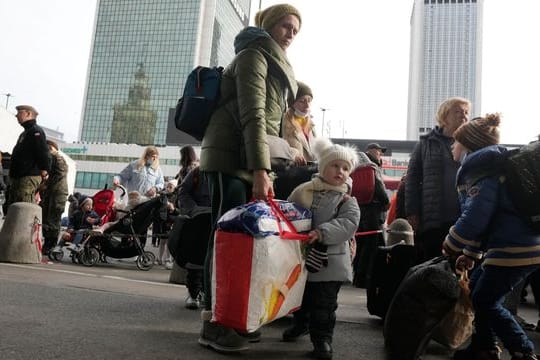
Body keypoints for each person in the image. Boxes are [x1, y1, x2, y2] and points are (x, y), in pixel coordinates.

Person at [198, 3, 302, 353]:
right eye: (286, 26)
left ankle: (235, 315)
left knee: (241, 237)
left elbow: (270, 124)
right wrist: (261, 169)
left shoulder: (272, 62)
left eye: (295, 30)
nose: (291, 34)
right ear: (270, 25)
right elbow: (254, 115)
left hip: (246, 155)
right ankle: (214, 320)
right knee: (227, 236)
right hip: (230, 157)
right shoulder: (254, 56)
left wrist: (264, 167)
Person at [442, 113, 540, 360]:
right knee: (477, 290)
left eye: (456, 142)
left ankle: (522, 350)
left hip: (513, 250)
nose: (452, 146)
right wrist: (471, 254)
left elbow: (477, 216)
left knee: (486, 300)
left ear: (467, 146)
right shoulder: (487, 170)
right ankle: (484, 346)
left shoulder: (480, 173)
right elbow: (490, 219)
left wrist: (452, 242)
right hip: (515, 247)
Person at [283, 137, 360, 360]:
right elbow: (288, 212)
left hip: (331, 262)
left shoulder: (347, 200)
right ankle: (301, 324)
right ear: (323, 166)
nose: (340, 171)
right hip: (302, 257)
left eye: (346, 168)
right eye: (335, 165)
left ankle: (323, 340)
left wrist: (322, 232)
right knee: (300, 297)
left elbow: (347, 223)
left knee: (324, 305)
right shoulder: (303, 191)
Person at [405, 97, 470, 262]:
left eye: (466, 112)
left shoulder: (472, 143)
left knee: (461, 267)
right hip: (433, 217)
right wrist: (412, 211)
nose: (463, 115)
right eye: (458, 111)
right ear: (444, 116)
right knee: (432, 264)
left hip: (464, 217)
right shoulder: (426, 143)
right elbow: (412, 179)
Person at [351, 143, 390, 288]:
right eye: (380, 152)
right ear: (373, 151)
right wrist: (386, 203)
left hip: (359, 210)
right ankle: (365, 279)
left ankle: (357, 276)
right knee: (371, 247)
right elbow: (379, 187)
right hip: (373, 212)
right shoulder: (371, 166)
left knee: (361, 245)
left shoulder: (357, 164)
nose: (381, 155)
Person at [113, 146, 165, 248]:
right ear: (147, 155)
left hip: (146, 203)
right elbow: (121, 176)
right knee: (128, 222)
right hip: (133, 201)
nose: (154, 159)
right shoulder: (134, 165)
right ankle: (124, 247)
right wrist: (116, 180)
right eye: (152, 156)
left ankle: (140, 249)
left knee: (143, 225)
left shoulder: (157, 169)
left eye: (155, 157)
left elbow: (161, 183)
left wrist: (155, 188)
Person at [177, 166, 211, 310]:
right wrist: (194, 209)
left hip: (218, 220)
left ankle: (205, 293)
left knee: (211, 262)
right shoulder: (197, 172)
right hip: (197, 220)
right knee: (195, 259)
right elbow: (183, 192)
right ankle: (194, 293)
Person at [6, 105, 49, 211]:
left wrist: (44, 169)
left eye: (20, 113)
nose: (16, 115)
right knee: (15, 207)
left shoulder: (36, 131)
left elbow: (42, 151)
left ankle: (26, 228)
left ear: (28, 114)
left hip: (28, 176)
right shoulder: (26, 132)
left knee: (25, 208)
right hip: (20, 176)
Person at [39, 140, 69, 255]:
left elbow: (61, 173)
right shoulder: (52, 159)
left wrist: (47, 184)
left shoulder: (58, 158)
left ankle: (51, 245)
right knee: (46, 219)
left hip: (57, 194)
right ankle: (47, 243)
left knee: (53, 220)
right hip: (51, 193)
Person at [281, 81, 316, 165]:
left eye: (309, 100)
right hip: (293, 169)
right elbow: (277, 145)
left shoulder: (310, 123)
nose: (307, 105)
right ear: (292, 102)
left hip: (311, 168)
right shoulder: (283, 120)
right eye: (302, 101)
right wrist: (293, 154)